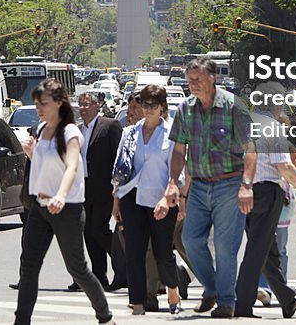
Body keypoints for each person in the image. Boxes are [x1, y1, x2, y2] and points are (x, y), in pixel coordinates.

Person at [14, 79, 114, 325]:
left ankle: (104, 315)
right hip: (40, 208)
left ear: (59, 103)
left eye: (44, 104)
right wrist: (31, 153)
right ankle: (21, 321)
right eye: (36, 103)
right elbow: (46, 165)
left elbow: (71, 166)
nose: (38, 108)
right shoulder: (39, 130)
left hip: (66, 208)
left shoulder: (70, 132)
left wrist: (61, 194)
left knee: (78, 269)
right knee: (28, 268)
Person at [165, 57, 255, 319]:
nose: (192, 84)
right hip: (200, 186)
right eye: (190, 80)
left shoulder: (233, 107)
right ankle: (213, 288)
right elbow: (179, 151)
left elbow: (251, 150)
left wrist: (246, 185)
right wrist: (173, 183)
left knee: (226, 247)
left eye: (198, 79)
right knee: (190, 240)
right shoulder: (185, 109)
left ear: (213, 78)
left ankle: (226, 302)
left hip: (230, 183)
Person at [233, 94, 296, 319]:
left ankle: (287, 299)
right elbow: (284, 166)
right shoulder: (272, 127)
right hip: (267, 191)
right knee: (258, 250)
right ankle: (242, 303)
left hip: (245, 191)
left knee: (268, 251)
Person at [111, 85, 182, 315]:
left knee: (163, 252)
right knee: (134, 250)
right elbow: (119, 170)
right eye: (145, 104)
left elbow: (178, 171)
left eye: (154, 105)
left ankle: (172, 289)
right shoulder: (130, 132)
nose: (148, 109)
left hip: (162, 198)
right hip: (132, 196)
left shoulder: (172, 133)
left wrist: (169, 197)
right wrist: (117, 201)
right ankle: (138, 302)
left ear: (162, 107)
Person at [76, 91, 122, 291]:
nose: (83, 108)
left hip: (105, 188)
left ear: (97, 105)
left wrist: (117, 187)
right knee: (88, 232)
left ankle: (125, 264)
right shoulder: (78, 130)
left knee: (98, 229)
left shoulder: (109, 125)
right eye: (81, 105)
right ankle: (98, 276)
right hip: (84, 188)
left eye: (87, 104)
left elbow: (119, 157)